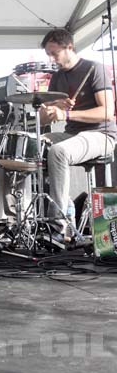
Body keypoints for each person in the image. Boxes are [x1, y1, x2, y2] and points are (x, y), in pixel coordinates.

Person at [40, 28, 116, 239]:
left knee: (58, 151)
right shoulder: (56, 77)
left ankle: (58, 226)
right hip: (72, 134)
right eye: (48, 54)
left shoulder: (95, 69)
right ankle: (16, 219)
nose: (51, 58)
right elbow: (42, 119)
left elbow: (108, 112)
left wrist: (67, 114)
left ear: (69, 47)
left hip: (102, 135)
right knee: (31, 146)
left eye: (54, 53)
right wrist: (53, 107)